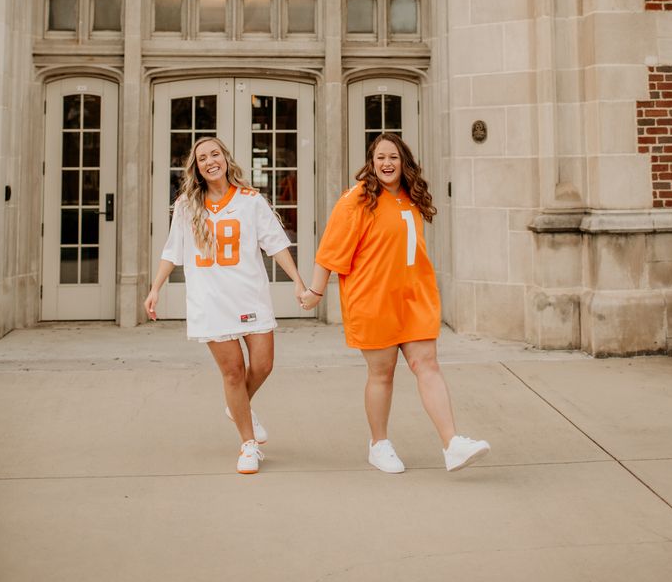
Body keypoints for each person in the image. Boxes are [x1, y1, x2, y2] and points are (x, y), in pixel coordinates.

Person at [300, 132, 490, 473]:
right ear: (371, 163)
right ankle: (379, 444)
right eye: (380, 158)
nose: (387, 164)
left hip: (414, 298)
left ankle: (452, 444)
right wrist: (315, 292)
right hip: (372, 300)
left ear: (404, 163)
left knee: (427, 365)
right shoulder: (356, 199)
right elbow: (329, 251)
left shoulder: (409, 196)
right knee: (382, 374)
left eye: (394, 158)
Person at [145, 135, 305, 475]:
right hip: (210, 301)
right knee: (232, 373)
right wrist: (155, 289)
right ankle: (248, 444)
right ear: (197, 168)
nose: (209, 161)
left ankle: (238, 407)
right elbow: (172, 251)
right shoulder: (187, 206)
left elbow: (275, 244)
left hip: (250, 296)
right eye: (202, 158)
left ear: (226, 158)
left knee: (262, 365)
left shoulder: (251, 200)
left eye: (214, 154)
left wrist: (298, 282)